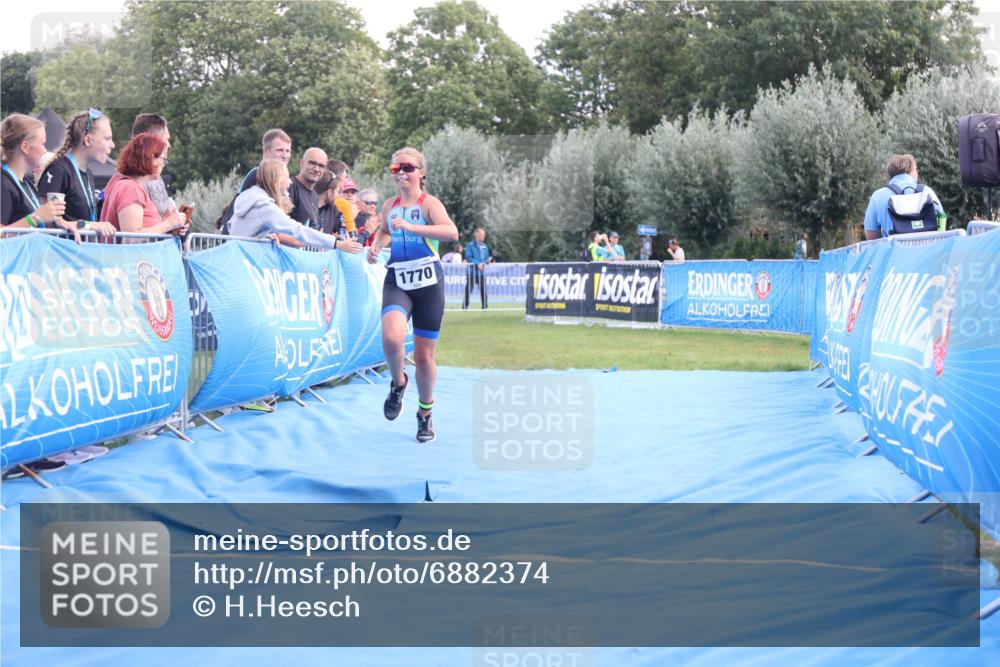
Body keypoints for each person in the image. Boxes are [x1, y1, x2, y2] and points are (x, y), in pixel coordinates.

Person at [367, 147, 458, 443]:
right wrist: (377, 245)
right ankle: (398, 383)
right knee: (391, 339)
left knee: (423, 356)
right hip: (399, 279)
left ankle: (425, 414)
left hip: (429, 283)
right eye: (396, 169)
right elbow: (384, 231)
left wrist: (413, 227)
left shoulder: (429, 203)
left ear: (421, 173)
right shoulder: (389, 205)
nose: (402, 173)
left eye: (407, 167)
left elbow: (451, 233)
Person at [229, 158, 363, 252]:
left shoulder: (252, 198)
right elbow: (296, 229)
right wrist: (336, 244)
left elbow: (237, 228)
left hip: (236, 253)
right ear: (276, 180)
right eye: (286, 178)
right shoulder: (264, 206)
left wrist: (261, 236)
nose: (290, 182)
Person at [1, 113, 81, 236]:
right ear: (25, 146)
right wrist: (36, 217)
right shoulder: (3, 183)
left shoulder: (26, 184)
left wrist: (63, 224)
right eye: (42, 144)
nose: (45, 150)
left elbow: (36, 222)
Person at [100, 132, 189, 235]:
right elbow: (132, 237)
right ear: (152, 158)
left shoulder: (126, 185)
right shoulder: (131, 189)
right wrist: (168, 224)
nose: (164, 165)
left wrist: (166, 222)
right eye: (163, 159)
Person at [39, 109, 116, 225]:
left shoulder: (88, 173)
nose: (113, 145)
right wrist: (91, 226)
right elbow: (51, 222)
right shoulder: (59, 170)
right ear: (88, 140)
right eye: (107, 138)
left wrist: (107, 195)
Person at [217, 128, 292, 232]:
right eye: (280, 150)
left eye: (288, 151)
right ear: (266, 152)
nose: (285, 155)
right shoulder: (257, 175)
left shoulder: (282, 179)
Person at [864, 154, 944, 240]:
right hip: (927, 251)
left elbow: (871, 236)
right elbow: (942, 223)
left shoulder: (878, 196)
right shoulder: (928, 192)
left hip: (894, 252)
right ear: (911, 170)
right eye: (916, 170)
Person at [131, 113, 173, 216]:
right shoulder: (130, 184)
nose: (169, 145)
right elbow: (134, 230)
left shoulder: (156, 177)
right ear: (152, 141)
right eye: (166, 140)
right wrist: (169, 224)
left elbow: (161, 217)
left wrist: (175, 225)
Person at [289, 147, 327, 229]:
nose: (317, 169)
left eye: (321, 166)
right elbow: (281, 226)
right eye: (312, 163)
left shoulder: (315, 196)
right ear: (301, 163)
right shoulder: (290, 187)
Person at [463, 227, 492, 310]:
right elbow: (468, 257)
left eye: (484, 235)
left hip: (481, 273)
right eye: (482, 235)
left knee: (484, 290)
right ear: (476, 235)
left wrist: (488, 261)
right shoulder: (470, 245)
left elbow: (486, 258)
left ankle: (485, 307)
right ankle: (465, 307)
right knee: (468, 290)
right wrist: (477, 264)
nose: (483, 236)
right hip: (471, 272)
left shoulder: (485, 246)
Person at [314, 170, 344, 235]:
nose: (340, 196)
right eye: (338, 192)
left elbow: (341, 233)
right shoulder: (306, 207)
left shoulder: (334, 210)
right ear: (330, 192)